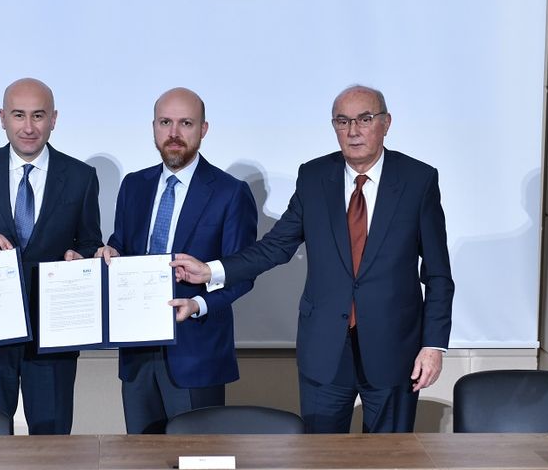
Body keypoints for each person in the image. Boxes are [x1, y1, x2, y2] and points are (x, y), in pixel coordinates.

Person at [172, 84, 453, 433]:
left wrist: (433, 345)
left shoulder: (418, 180)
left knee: (388, 458)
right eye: (342, 121)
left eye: (364, 119)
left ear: (386, 122)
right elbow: (276, 246)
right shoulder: (314, 177)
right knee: (319, 457)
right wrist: (212, 270)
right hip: (325, 350)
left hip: (395, 350)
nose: (353, 131)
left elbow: (438, 275)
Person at [0, 78, 101, 434]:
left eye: (38, 115)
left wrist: (81, 257)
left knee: (52, 444)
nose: (28, 127)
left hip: (53, 339)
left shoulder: (81, 177)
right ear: (2, 118)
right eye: (18, 115)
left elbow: (91, 243)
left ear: (53, 119)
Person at [93, 88, 257, 433]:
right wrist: (110, 253)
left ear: (203, 129)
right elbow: (121, 244)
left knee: (196, 459)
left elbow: (242, 273)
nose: (174, 133)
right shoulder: (133, 186)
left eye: (186, 123)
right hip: (138, 353)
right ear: (154, 126)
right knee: (141, 457)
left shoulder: (230, 192)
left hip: (196, 353)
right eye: (165, 122)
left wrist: (198, 304)